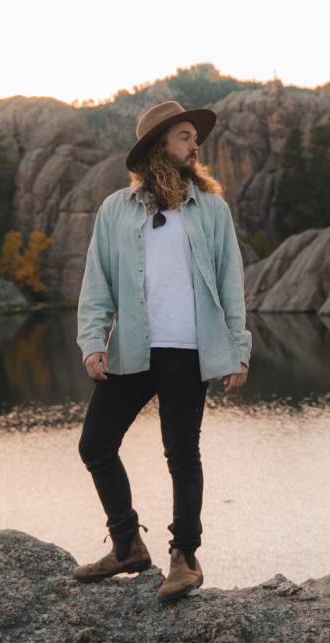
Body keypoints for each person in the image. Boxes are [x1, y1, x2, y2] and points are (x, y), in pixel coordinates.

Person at [72, 99, 251, 602]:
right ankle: (127, 544)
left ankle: (185, 557)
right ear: (159, 146)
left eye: (195, 137)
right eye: (185, 137)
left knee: (182, 453)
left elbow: (231, 282)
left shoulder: (211, 209)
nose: (196, 145)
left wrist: (238, 347)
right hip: (133, 348)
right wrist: (93, 342)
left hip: (189, 350)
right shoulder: (116, 209)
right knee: (95, 445)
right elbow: (97, 283)